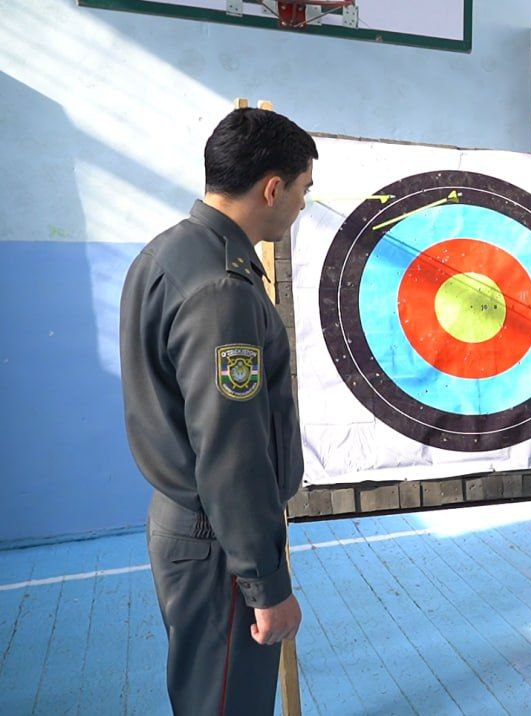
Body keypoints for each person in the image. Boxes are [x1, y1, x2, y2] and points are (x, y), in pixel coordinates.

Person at [120, 107, 317, 714]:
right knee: (225, 703)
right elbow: (230, 454)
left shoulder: (170, 252)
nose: (304, 207)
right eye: (304, 191)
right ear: (272, 187)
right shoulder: (223, 292)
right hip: (221, 542)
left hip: (194, 525)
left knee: (207, 692)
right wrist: (265, 584)